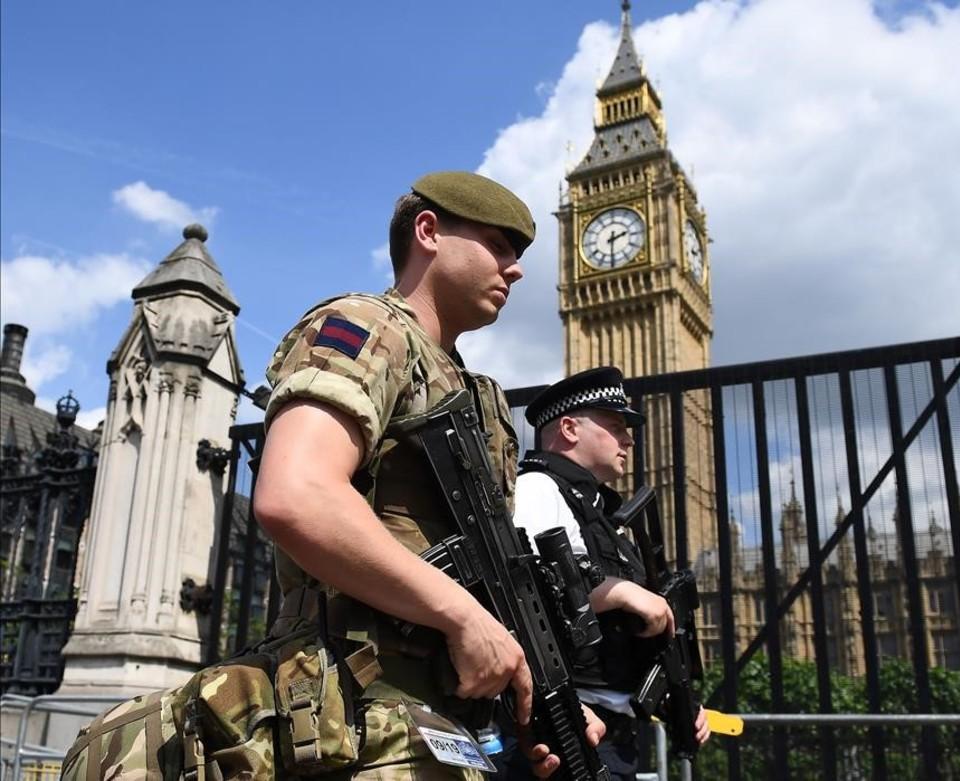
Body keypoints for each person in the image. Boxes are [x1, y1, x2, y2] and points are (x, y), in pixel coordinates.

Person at [253, 171, 600, 780]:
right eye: (498, 245)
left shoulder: (476, 394)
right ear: (429, 232)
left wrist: (539, 693)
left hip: (435, 719)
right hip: (347, 709)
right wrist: (462, 617)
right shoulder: (367, 326)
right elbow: (296, 494)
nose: (515, 269)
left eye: (517, 255)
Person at [502, 367, 711, 780]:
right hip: (568, 729)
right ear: (569, 428)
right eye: (616, 427)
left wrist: (674, 696)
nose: (628, 440)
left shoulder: (599, 511)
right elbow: (525, 589)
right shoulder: (540, 488)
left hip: (613, 738)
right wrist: (620, 592)